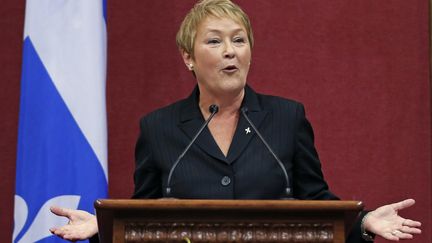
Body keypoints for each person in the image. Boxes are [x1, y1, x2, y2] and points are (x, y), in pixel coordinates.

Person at [50, 0, 422, 242]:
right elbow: (147, 214)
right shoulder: (158, 128)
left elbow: (316, 200)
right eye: (214, 41)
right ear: (188, 57)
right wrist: (105, 227)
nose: (230, 51)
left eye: (239, 40)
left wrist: (365, 221)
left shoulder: (285, 117)